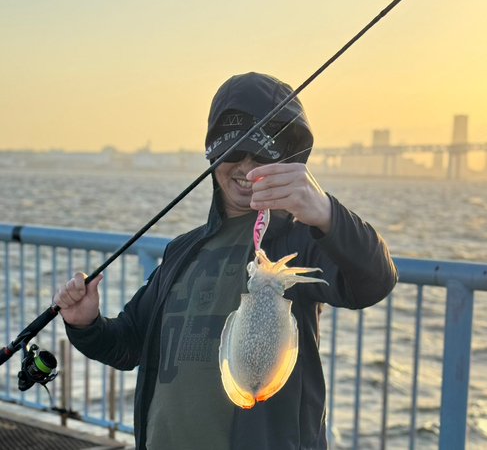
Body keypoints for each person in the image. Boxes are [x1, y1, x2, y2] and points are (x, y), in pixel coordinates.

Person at [54, 72, 397, 450]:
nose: (246, 168)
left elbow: (374, 280)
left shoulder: (302, 241)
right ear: (213, 154)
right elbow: (129, 344)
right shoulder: (181, 251)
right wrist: (85, 323)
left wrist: (327, 213)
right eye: (233, 152)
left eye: (262, 155)